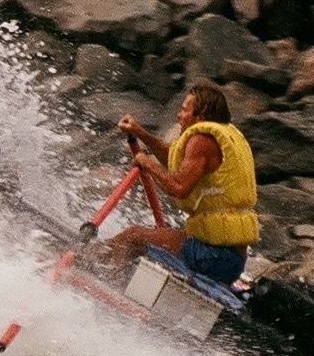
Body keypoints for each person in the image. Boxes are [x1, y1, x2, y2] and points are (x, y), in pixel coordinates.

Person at [93, 82, 259, 285]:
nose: (179, 116)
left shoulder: (202, 140)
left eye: (184, 110)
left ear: (200, 116)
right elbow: (174, 158)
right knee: (146, 237)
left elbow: (179, 188)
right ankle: (95, 259)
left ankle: (98, 277)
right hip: (227, 257)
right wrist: (140, 133)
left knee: (133, 236)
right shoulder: (224, 135)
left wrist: (147, 164)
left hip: (213, 256)